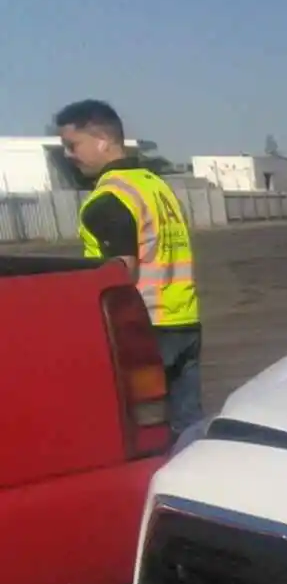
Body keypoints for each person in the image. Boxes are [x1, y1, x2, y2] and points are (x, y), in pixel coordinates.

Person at [55, 99, 202, 436]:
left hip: (143, 326)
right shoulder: (155, 186)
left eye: (72, 145)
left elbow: (122, 272)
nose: (68, 154)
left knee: (135, 432)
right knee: (188, 423)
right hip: (184, 319)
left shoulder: (108, 199)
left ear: (102, 140)